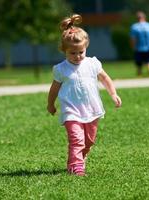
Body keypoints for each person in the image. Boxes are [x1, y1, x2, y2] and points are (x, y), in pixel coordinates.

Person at [47, 14, 122, 176]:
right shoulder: (61, 69)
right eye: (72, 53)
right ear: (64, 51)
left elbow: (105, 78)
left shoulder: (92, 63)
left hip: (91, 109)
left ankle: (79, 158)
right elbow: (53, 89)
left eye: (81, 51)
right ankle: (76, 168)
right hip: (71, 111)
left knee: (89, 141)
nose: (78, 56)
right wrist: (50, 104)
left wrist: (113, 94)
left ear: (86, 47)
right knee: (77, 140)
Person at [130, 11, 149, 77]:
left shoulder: (134, 27)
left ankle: (139, 77)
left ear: (137, 18)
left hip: (139, 48)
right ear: (144, 17)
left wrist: (133, 46)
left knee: (139, 64)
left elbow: (133, 39)